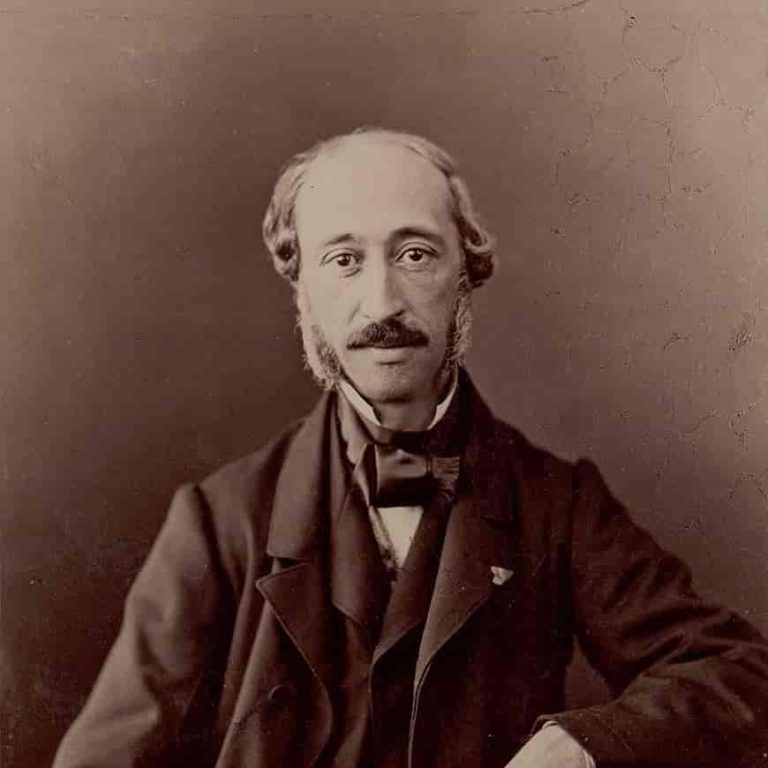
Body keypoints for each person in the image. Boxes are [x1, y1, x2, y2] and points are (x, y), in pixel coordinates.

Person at [53, 128, 768, 768]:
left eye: (416, 253)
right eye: (343, 260)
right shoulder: (220, 522)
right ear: (300, 288)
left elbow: (738, 670)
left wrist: (588, 745)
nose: (383, 303)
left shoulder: (558, 503)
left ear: (466, 274)